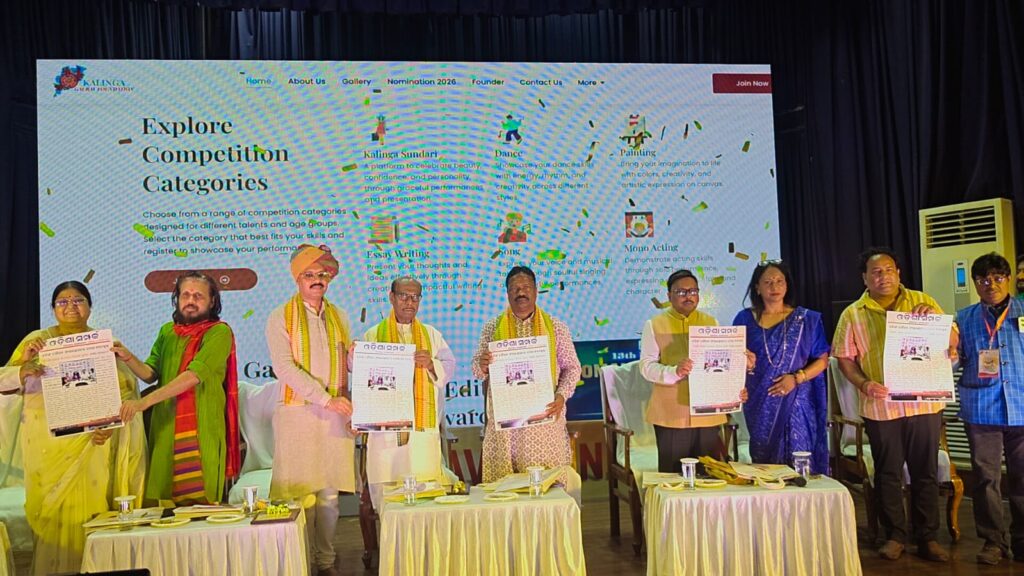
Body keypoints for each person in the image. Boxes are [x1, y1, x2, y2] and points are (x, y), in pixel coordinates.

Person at [0, 281, 146, 575]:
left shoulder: (102, 343)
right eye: (62, 302)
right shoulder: (37, 342)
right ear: (53, 309)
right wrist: (23, 368)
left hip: (93, 441)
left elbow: (124, 389)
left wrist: (110, 425)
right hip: (47, 445)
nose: (70, 307)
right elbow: (5, 384)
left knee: (92, 512)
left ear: (90, 307)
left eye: (78, 300)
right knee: (50, 518)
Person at [833, 247, 957, 562]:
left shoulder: (923, 301)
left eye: (889, 270)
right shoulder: (853, 314)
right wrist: (864, 384)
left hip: (923, 404)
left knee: (925, 471)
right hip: (881, 407)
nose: (883, 276)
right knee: (888, 472)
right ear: (864, 278)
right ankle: (895, 535)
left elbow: (954, 341)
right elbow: (845, 359)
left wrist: (937, 325)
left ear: (898, 273)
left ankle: (928, 537)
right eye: (876, 272)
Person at [266, 244, 354, 576]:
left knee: (330, 497)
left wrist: (356, 357)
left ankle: (326, 561)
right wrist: (324, 398)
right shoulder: (280, 316)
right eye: (309, 275)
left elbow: (346, 363)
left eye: (322, 274)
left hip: (334, 413)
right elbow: (284, 368)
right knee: (302, 498)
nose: (317, 280)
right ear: (297, 279)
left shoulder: (340, 315)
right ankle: (300, 562)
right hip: (298, 415)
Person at [116, 271, 239, 505]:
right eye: (185, 295)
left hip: (202, 427)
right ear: (177, 298)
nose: (190, 301)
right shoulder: (167, 331)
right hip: (166, 425)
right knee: (168, 505)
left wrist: (143, 403)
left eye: (198, 296)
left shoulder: (219, 332)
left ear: (212, 301)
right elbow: (150, 373)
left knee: (201, 505)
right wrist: (127, 357)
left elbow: (192, 376)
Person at [472, 266, 582, 494]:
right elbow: (476, 370)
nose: (520, 293)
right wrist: (482, 364)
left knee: (546, 492)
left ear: (536, 290)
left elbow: (572, 368)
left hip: (543, 426)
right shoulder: (492, 328)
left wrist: (561, 396)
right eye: (515, 288)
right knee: (504, 494)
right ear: (507, 293)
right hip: (505, 430)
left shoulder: (556, 328)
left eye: (525, 287)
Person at [640, 269, 752, 473]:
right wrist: (674, 371)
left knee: (708, 473)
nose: (688, 296)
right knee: (673, 476)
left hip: (707, 412)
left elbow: (720, 367)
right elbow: (646, 367)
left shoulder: (711, 322)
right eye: (681, 292)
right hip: (671, 414)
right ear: (669, 296)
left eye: (693, 291)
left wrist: (735, 385)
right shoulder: (654, 325)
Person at [361, 277, 456, 508]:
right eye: (404, 296)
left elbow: (449, 366)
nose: (409, 302)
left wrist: (431, 364)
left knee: (426, 499)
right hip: (385, 434)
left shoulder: (431, 335)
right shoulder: (373, 335)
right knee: (388, 499)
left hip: (421, 432)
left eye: (415, 297)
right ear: (391, 298)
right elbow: (363, 378)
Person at [955, 253, 1024, 565]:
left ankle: (1022, 539)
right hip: (982, 409)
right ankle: (993, 541)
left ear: (1008, 279)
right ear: (975, 283)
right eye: (983, 279)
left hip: (1022, 406)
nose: (990, 284)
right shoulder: (963, 319)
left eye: (997, 278)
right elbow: (954, 361)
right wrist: (943, 353)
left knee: (1023, 477)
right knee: (985, 478)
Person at [733, 261, 829, 472]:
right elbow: (733, 359)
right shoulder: (744, 319)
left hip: (797, 399)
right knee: (766, 466)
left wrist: (797, 378)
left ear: (787, 285)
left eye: (779, 281)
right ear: (757, 288)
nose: (774, 286)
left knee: (800, 458)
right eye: (767, 282)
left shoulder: (805, 319)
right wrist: (744, 363)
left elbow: (823, 360)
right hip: (759, 401)